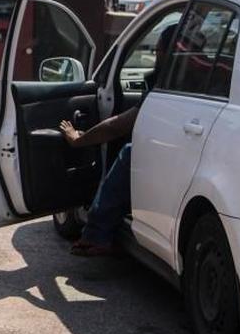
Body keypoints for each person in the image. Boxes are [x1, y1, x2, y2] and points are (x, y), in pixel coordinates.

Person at [58, 24, 177, 256]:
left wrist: (79, 139)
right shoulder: (209, 77)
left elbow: (119, 125)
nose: (155, 56)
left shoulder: (170, 85)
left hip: (176, 152)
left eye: (158, 50)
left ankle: (96, 234)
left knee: (131, 152)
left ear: (169, 54)